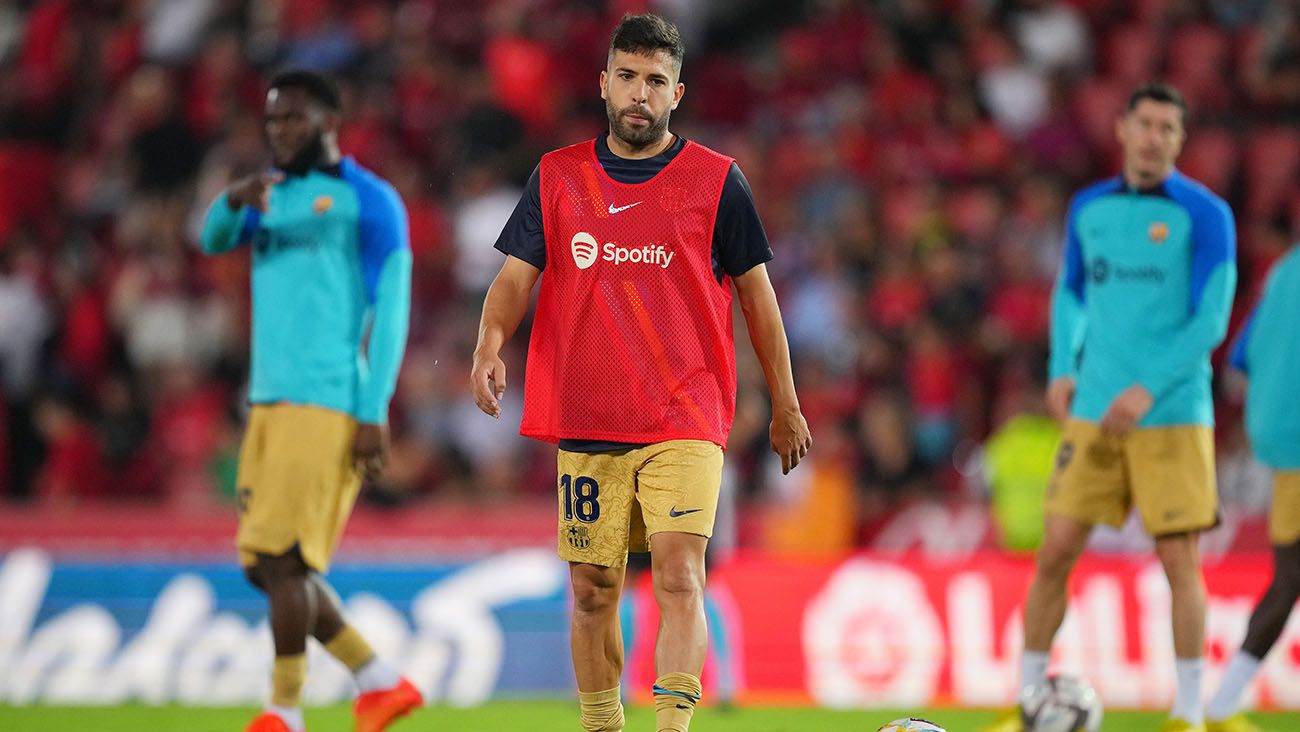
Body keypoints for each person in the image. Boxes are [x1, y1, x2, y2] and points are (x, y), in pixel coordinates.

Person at [470, 14, 811, 732]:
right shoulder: (558, 177)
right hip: (589, 413)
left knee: (680, 572)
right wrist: (488, 345)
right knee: (593, 588)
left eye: (656, 80)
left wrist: (786, 402)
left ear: (676, 93)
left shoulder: (717, 181)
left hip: (684, 414)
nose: (639, 92)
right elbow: (513, 279)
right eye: (627, 76)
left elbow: (759, 298)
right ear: (604, 83)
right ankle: (603, 725)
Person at [984, 82, 1237, 732]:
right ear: (1122, 128)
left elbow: (1211, 319)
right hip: (1093, 411)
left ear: (1181, 140)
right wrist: (1062, 369)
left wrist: (1150, 387)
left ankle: (1188, 715)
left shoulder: (1205, 214)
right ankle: (1028, 703)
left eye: (1167, 128)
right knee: (1054, 552)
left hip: (1173, 414)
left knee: (1179, 561)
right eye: (1145, 124)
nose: (1154, 137)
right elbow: (1071, 294)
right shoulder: (1089, 208)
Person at [199, 70, 420, 732]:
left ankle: (285, 710)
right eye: (272, 119)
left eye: (293, 117)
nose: (280, 131)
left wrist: (373, 409)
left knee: (283, 560)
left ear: (329, 122)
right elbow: (211, 239)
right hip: (267, 400)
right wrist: (230, 201)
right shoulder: (268, 197)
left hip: (327, 400)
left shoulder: (369, 200)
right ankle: (378, 681)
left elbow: (393, 310)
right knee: (264, 565)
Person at [1204, 240, 1300, 732]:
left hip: (1281, 446)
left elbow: (1240, 360)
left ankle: (1221, 705)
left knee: (1289, 579)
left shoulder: (1284, 270)